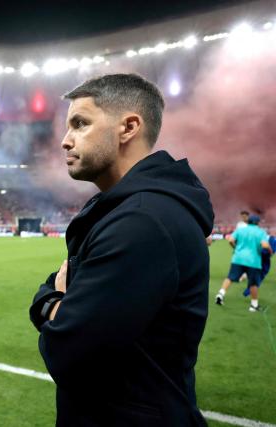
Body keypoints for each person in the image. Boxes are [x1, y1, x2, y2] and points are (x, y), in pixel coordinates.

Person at [29, 74, 213, 426]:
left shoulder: (142, 222)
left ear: (128, 127)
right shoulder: (129, 212)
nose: (65, 142)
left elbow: (65, 352)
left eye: (80, 124)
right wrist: (59, 303)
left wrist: (49, 304)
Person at [216, 215, 272, 311]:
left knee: (230, 278)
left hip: (238, 258)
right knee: (253, 283)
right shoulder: (260, 232)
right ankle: (254, 305)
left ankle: (220, 294)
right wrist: (270, 251)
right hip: (253, 261)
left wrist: (236, 247)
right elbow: (265, 245)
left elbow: (230, 240)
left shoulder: (241, 230)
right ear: (258, 223)